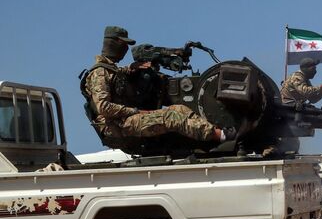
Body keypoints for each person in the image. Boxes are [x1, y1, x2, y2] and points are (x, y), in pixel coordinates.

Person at [82, 26, 233, 144]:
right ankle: (218, 136)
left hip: (123, 120)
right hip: (115, 126)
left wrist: (132, 68)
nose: (126, 49)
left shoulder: (111, 69)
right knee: (170, 117)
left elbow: (118, 74)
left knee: (179, 109)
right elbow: (103, 107)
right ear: (113, 43)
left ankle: (213, 130)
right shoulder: (99, 72)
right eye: (124, 44)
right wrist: (135, 111)